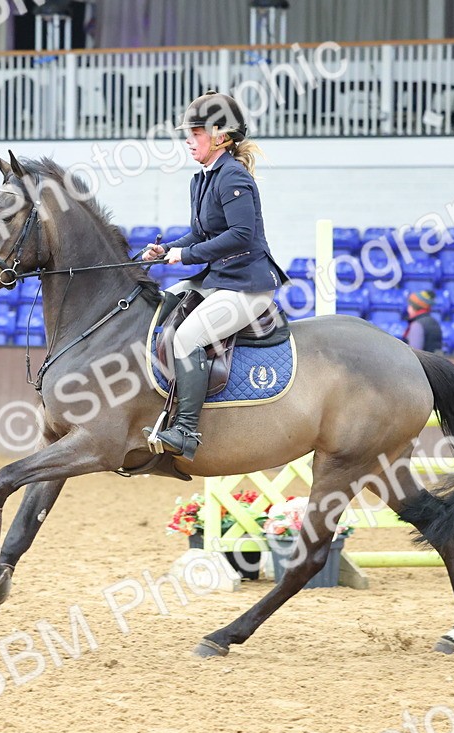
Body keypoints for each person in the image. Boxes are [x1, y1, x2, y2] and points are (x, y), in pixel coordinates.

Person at [142, 90, 288, 460]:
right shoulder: (204, 178)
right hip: (221, 278)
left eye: (196, 133)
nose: (188, 140)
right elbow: (201, 234)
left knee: (188, 337)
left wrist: (186, 254)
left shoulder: (232, 177)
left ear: (221, 136)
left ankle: (187, 431)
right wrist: (167, 249)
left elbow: (239, 235)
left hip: (247, 286)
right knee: (167, 300)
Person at [402, 289, 443, 353]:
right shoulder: (434, 322)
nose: (408, 309)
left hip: (423, 362)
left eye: (410, 305)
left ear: (415, 307)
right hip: (435, 361)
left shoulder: (417, 325)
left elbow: (414, 353)